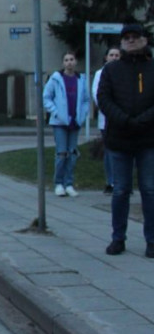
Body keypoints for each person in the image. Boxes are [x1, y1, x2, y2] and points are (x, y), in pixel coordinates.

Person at [98, 23, 154, 257]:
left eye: (135, 37)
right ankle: (117, 238)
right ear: (121, 42)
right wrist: (124, 119)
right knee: (120, 190)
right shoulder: (112, 70)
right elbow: (103, 98)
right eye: (126, 37)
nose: (131, 40)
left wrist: (142, 119)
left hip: (148, 138)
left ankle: (151, 241)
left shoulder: (152, 68)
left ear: (144, 40)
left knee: (149, 189)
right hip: (120, 138)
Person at [42, 50, 89, 197]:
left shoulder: (81, 79)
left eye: (72, 59)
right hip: (60, 122)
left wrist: (82, 115)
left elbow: (86, 100)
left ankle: (69, 183)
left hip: (75, 121)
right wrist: (55, 112)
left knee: (72, 153)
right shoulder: (56, 79)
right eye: (66, 60)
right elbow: (46, 97)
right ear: (63, 63)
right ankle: (58, 183)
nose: (69, 62)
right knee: (61, 153)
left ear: (75, 62)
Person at [92, 46, 121, 195]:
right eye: (112, 55)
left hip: (122, 120)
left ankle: (120, 181)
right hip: (107, 119)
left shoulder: (124, 72)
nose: (114, 57)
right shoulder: (100, 73)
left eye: (117, 55)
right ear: (106, 57)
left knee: (122, 152)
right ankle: (110, 181)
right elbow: (97, 96)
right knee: (109, 151)